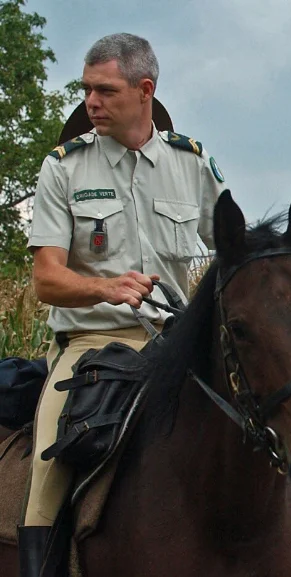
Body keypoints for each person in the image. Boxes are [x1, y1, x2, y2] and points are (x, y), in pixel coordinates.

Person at [18, 33, 225, 576]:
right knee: (48, 472)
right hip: (90, 348)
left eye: (105, 91)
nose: (91, 102)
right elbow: (46, 280)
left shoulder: (192, 162)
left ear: (145, 90)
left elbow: (234, 249)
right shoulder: (63, 167)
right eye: (87, 89)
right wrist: (104, 288)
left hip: (177, 346)